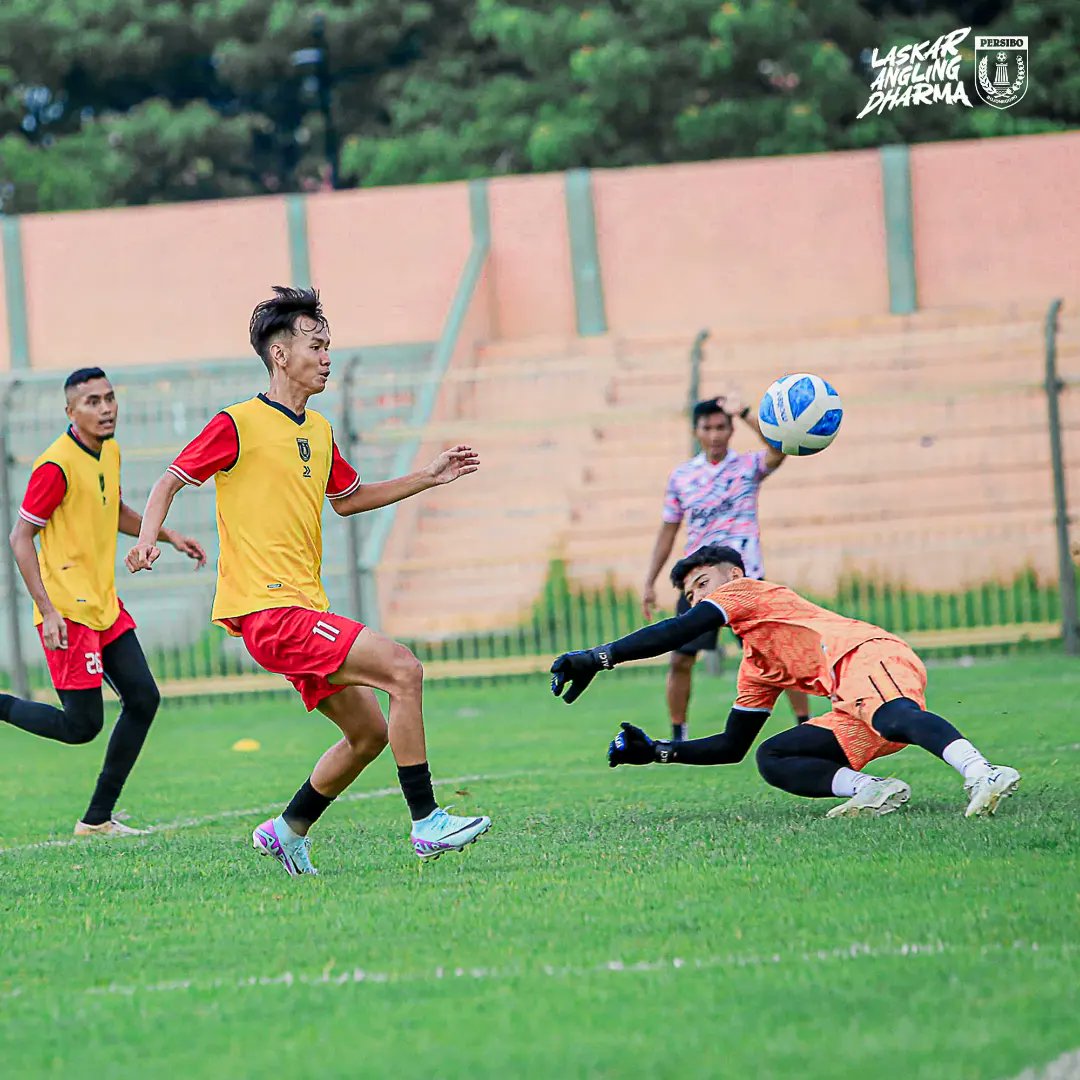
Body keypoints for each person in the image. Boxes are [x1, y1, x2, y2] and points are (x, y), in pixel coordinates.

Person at [126, 286, 491, 876]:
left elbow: (349, 498)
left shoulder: (317, 430)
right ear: (280, 354)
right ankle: (427, 822)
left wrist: (427, 477)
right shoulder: (237, 423)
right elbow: (170, 479)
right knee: (404, 669)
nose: (326, 357)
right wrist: (148, 539)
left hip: (303, 609)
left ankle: (287, 830)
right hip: (269, 612)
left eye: (328, 346)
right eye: (315, 346)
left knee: (368, 733)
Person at [551, 543, 1020, 819]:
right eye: (689, 594)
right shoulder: (756, 664)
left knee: (893, 716)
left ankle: (983, 773)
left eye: (702, 582)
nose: (696, 597)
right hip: (850, 699)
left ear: (734, 575)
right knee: (773, 756)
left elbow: (676, 632)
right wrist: (658, 751)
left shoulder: (746, 592)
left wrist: (597, 658)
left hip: (866, 655)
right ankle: (872, 790)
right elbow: (731, 746)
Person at [2, 367, 206, 836]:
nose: (106, 408)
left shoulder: (109, 451)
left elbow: (112, 511)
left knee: (143, 698)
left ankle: (97, 819)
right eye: (92, 401)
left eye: (109, 398)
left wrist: (167, 535)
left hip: (104, 605)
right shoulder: (55, 465)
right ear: (70, 411)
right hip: (68, 611)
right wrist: (48, 611)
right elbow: (20, 537)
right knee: (81, 727)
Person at [642, 396, 809, 742]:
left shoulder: (747, 466)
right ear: (696, 431)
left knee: (778, 655)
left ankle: (805, 725)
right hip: (699, 585)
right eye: (708, 428)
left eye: (721, 427)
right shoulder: (683, 477)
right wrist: (650, 581)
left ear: (731, 430)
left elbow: (779, 451)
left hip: (745, 581)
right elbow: (668, 530)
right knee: (681, 659)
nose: (715, 435)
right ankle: (678, 735)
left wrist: (746, 413)